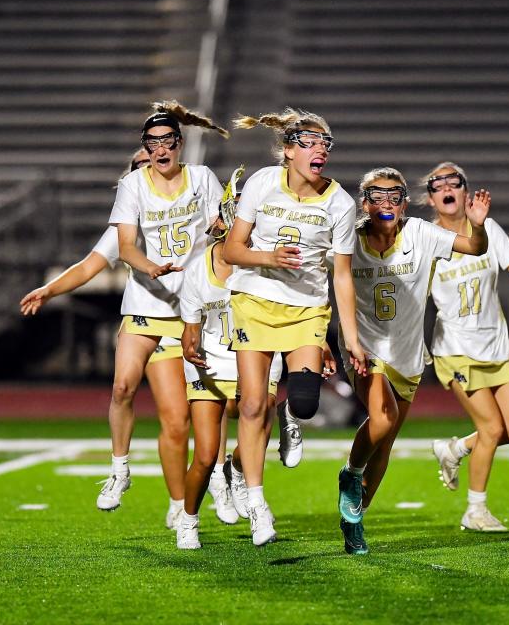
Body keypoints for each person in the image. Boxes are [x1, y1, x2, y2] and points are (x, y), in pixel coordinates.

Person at [19, 145, 231, 523]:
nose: (148, 169)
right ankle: (133, 477)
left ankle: (214, 483)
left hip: (193, 318)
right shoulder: (126, 226)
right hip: (146, 316)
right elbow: (89, 266)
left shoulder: (191, 198)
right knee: (130, 392)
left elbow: (224, 240)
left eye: (152, 163)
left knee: (193, 417)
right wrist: (49, 291)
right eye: (139, 166)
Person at [222, 108, 367, 546]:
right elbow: (231, 250)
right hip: (254, 301)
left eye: (326, 143)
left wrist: (351, 339)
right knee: (250, 407)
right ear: (288, 151)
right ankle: (257, 503)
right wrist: (269, 257)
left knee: (304, 403)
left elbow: (341, 274)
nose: (321, 148)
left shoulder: (339, 203)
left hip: (306, 309)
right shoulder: (263, 183)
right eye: (310, 142)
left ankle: (287, 420)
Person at [336, 167, 490, 554]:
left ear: (404, 201)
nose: (385, 204)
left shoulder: (420, 233)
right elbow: (321, 284)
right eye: (377, 196)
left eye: (394, 196)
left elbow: (474, 247)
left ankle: (355, 518)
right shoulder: (347, 238)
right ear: (363, 202)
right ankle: (350, 475)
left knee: (385, 443)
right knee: (382, 416)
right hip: (365, 348)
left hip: (407, 353)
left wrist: (477, 225)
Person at [104, 100, 229, 528]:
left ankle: (199, 493)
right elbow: (122, 247)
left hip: (189, 311)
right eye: (152, 142)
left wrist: (222, 228)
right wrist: (149, 266)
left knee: (184, 417)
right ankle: (119, 468)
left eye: (167, 141)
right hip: (146, 302)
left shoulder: (202, 178)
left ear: (180, 144)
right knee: (122, 385)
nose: (160, 149)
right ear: (145, 147)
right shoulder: (133, 185)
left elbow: (221, 230)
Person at [423, 162, 509, 532]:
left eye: (454, 182)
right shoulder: (427, 240)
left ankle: (456, 449)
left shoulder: (488, 228)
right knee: (492, 429)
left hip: (496, 347)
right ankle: (475, 510)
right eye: (438, 184)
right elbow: (412, 295)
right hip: (455, 350)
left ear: (466, 192)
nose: (447, 188)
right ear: (431, 197)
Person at [174, 170, 286, 548]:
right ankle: (188, 519)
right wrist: (190, 348)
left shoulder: (262, 261)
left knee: (260, 410)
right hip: (210, 362)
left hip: (254, 355)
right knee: (205, 456)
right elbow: (189, 334)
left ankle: (240, 469)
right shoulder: (197, 271)